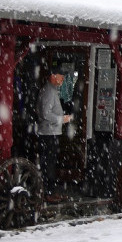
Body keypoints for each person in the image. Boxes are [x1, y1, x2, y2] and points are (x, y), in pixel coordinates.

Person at [37, 66, 71, 203]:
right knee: (48, 164)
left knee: (50, 163)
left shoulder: (51, 90)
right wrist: (61, 119)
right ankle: (47, 193)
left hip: (50, 132)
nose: (62, 79)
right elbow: (45, 113)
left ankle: (49, 191)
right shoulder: (49, 92)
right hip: (48, 134)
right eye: (61, 76)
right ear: (53, 76)